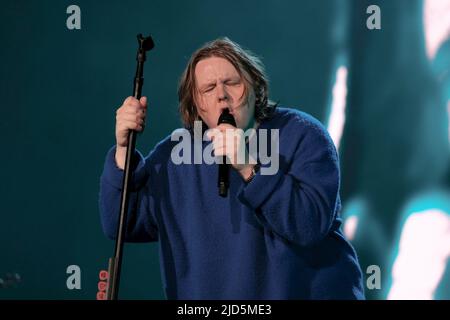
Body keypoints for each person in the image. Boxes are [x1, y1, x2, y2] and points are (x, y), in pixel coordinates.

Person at [99, 37, 365, 299]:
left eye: (231, 83)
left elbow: (309, 225)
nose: (221, 95)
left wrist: (249, 166)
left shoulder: (303, 135)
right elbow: (121, 222)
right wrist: (123, 149)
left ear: (255, 87)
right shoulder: (175, 154)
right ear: (197, 106)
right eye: (208, 88)